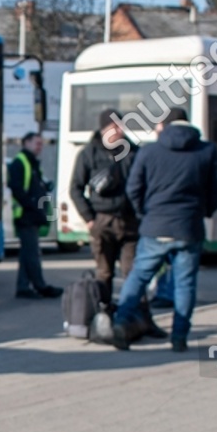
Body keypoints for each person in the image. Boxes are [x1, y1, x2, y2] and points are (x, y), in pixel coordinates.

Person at [110, 108, 217, 354]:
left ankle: (120, 325)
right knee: (184, 284)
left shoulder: (149, 151)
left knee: (138, 277)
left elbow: (133, 188)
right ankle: (179, 336)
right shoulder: (207, 151)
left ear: (164, 124)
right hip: (188, 227)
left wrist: (145, 214)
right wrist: (203, 211)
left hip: (155, 226)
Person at [69, 109, 139, 309]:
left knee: (132, 272)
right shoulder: (88, 153)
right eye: (115, 126)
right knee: (104, 272)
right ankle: (103, 313)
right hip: (102, 220)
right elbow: (75, 188)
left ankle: (134, 315)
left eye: (121, 125)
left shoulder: (132, 151)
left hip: (129, 221)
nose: (120, 129)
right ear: (104, 129)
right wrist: (89, 218)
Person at [7, 131, 62, 299]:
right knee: (32, 253)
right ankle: (40, 285)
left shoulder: (31, 163)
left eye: (41, 144)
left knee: (27, 253)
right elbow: (16, 188)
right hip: (26, 215)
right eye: (37, 143)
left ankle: (23, 287)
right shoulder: (20, 163)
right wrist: (30, 204)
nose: (40, 147)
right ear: (26, 143)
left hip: (32, 214)